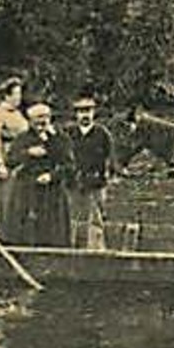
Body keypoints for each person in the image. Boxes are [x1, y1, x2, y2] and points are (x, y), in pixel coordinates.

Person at [5, 103, 74, 248]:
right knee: (25, 227)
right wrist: (28, 153)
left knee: (53, 229)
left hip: (52, 191)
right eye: (37, 121)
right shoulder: (23, 138)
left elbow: (69, 165)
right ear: (30, 121)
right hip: (27, 188)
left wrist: (51, 176)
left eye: (45, 120)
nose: (41, 125)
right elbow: (10, 160)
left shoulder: (61, 139)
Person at [66, 94, 116, 251]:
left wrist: (107, 175)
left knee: (96, 218)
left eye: (88, 111)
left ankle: (95, 250)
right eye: (81, 111)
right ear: (76, 114)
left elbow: (111, 159)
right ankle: (69, 248)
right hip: (73, 181)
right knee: (70, 217)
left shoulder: (103, 134)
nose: (85, 115)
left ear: (93, 113)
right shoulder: (68, 133)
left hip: (96, 182)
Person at [0, 77, 29, 237]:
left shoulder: (19, 115)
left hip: (19, 158)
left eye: (20, 94)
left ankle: (14, 232)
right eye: (16, 94)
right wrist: (0, 163)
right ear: (7, 96)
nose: (19, 98)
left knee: (16, 196)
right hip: (4, 157)